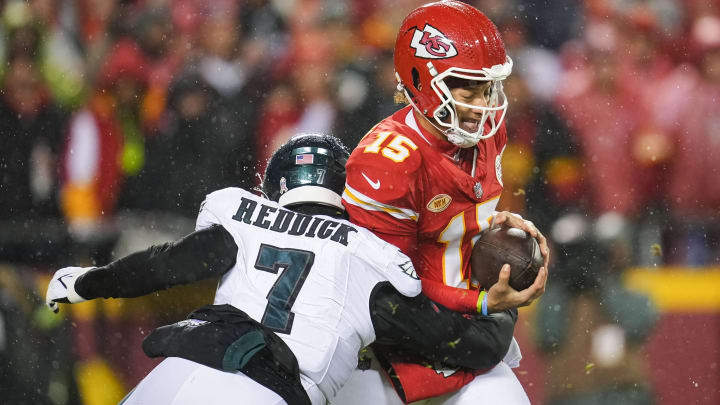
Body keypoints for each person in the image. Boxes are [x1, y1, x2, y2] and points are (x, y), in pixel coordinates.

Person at [46, 134, 519, 405]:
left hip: (182, 364)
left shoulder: (242, 217)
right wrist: (502, 301)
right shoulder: (367, 255)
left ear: (274, 185)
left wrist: (84, 282)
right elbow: (470, 346)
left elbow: (161, 266)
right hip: (265, 390)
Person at [336, 2, 550, 404]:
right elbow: (387, 293)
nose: (483, 104)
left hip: (463, 338)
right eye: (468, 86)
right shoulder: (389, 161)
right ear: (421, 81)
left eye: (488, 87)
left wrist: (491, 224)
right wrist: (482, 302)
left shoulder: (487, 132)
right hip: (387, 356)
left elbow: (449, 223)